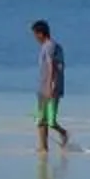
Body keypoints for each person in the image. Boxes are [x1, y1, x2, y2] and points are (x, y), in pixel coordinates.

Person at [31, 19, 71, 154]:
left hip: (51, 87)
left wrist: (50, 86)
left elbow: (51, 66)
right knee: (41, 120)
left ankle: (64, 133)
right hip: (43, 87)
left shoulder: (50, 46)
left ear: (41, 34)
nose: (35, 38)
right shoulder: (51, 46)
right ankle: (43, 147)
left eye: (35, 35)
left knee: (51, 121)